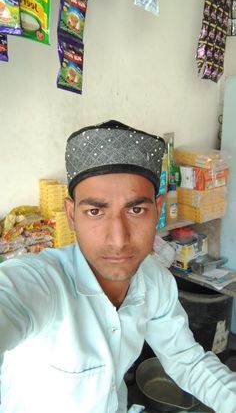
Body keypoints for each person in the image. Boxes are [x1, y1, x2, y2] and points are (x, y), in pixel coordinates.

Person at [0, 120, 236, 413]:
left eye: (136, 210)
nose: (118, 238)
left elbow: (188, 362)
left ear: (158, 211)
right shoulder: (42, 283)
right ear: (72, 215)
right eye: (95, 211)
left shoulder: (155, 282)